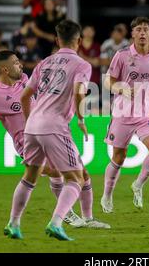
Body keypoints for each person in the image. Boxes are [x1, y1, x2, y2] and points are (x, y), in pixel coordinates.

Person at [0, 50, 109, 237]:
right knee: (58, 172)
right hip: (28, 143)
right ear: (4, 69)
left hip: (50, 132)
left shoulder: (26, 81)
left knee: (81, 172)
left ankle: (87, 219)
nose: (20, 65)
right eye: (16, 62)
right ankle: (64, 214)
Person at [7, 20, 99, 241]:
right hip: (55, 126)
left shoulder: (44, 63)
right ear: (79, 40)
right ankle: (56, 223)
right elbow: (79, 92)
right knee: (76, 179)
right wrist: (81, 118)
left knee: (29, 177)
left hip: (33, 126)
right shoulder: (82, 65)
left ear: (57, 40)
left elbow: (24, 96)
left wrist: (30, 121)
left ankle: (13, 223)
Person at [101, 17, 149, 213]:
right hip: (122, 114)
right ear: (132, 34)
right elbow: (108, 81)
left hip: (145, 114)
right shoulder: (122, 55)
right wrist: (120, 88)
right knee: (119, 157)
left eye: (146, 30)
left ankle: (138, 185)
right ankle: (107, 194)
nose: (142, 33)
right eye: (138, 29)